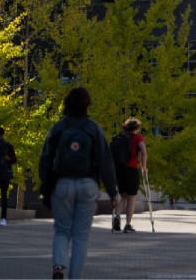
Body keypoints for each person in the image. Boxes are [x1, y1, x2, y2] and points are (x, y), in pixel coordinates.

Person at [39, 87, 118, 280]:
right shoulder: (93, 128)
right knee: (81, 235)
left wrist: (46, 185)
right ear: (87, 105)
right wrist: (113, 192)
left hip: (62, 184)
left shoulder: (58, 128)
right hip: (88, 185)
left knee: (62, 230)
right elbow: (106, 161)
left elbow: (45, 159)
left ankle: (58, 267)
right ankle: (75, 277)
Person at [114, 117, 147, 233]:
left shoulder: (120, 138)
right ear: (136, 128)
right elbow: (143, 152)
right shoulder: (138, 138)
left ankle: (117, 216)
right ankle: (127, 224)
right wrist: (144, 167)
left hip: (119, 170)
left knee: (123, 196)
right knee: (131, 197)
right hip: (131, 170)